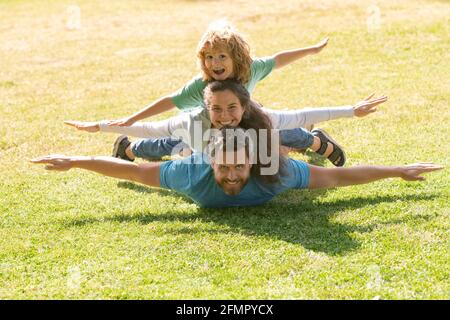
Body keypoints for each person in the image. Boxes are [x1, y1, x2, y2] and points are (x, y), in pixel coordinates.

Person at [31, 127, 442, 208]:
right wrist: (77, 161)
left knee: (286, 137)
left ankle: (314, 137)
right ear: (211, 162)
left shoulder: (275, 173)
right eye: (223, 168)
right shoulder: (190, 173)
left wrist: (397, 170)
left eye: (237, 169)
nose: (230, 176)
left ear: (252, 162)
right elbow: (133, 174)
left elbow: (335, 177)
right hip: (187, 151)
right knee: (173, 148)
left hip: (267, 144)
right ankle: (133, 144)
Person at [65, 80, 387, 167]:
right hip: (203, 145)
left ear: (244, 105)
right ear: (206, 107)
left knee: (290, 137)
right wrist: (103, 126)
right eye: (217, 109)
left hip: (259, 139)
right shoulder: (198, 121)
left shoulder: (257, 116)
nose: (225, 116)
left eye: (232, 108)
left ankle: (322, 142)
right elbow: (155, 128)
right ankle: (128, 151)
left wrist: (351, 110)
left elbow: (303, 113)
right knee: (173, 146)